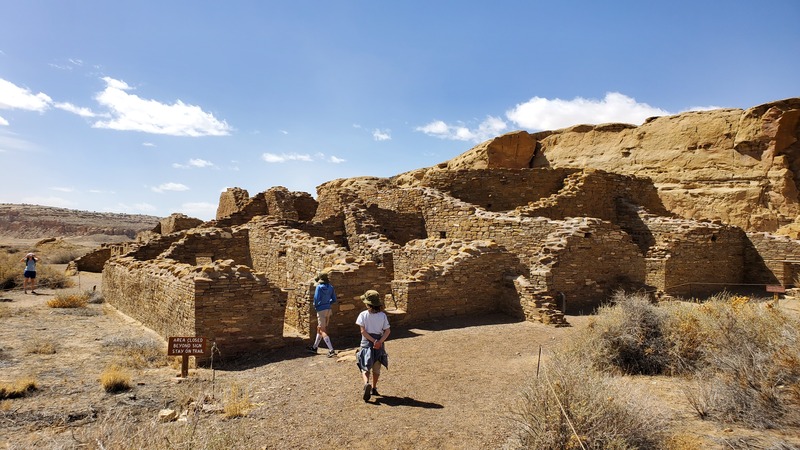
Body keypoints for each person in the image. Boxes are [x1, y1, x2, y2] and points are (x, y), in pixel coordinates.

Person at [355, 289, 391, 402]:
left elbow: (363, 331)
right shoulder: (382, 316)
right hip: (379, 345)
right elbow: (387, 331)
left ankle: (366, 383)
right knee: (376, 368)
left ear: (368, 304)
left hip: (366, 344)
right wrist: (379, 341)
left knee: (365, 366)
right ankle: (374, 387)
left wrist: (372, 341)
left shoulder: (363, 315)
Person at [307, 271, 337, 357]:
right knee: (319, 328)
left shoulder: (319, 287)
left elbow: (316, 299)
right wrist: (327, 303)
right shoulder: (331, 287)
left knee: (323, 330)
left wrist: (316, 306)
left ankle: (331, 350)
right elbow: (334, 299)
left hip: (321, 309)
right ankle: (314, 347)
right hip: (328, 309)